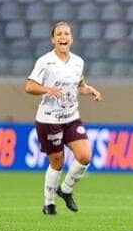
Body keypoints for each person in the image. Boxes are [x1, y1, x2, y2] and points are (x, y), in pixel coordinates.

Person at [25, 21, 102, 216]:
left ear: (71, 39)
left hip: (71, 117)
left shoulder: (78, 62)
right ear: (53, 39)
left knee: (85, 156)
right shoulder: (45, 61)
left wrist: (88, 90)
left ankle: (66, 190)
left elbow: (79, 85)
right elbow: (29, 87)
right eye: (59, 34)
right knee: (57, 162)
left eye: (66, 34)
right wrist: (47, 89)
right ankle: (48, 203)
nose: (63, 37)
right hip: (49, 120)